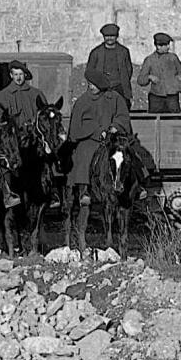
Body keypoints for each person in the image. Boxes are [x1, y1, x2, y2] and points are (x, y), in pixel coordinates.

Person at [63, 79, 132, 241]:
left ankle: (137, 185)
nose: (91, 87)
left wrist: (116, 126)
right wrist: (96, 131)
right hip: (89, 140)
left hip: (113, 138)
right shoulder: (82, 101)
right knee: (85, 155)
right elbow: (75, 129)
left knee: (127, 155)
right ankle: (85, 190)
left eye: (95, 84)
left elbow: (123, 116)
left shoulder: (115, 98)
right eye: (90, 83)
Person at [85, 24, 134, 109]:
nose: (109, 38)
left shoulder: (124, 51)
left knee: (121, 109)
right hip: (101, 88)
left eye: (112, 36)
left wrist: (122, 82)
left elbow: (128, 69)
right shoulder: (96, 52)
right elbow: (89, 71)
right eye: (107, 36)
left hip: (119, 87)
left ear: (117, 36)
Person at [136, 33, 181, 113]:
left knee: (174, 120)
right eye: (165, 45)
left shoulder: (173, 58)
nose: (168, 47)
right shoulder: (150, 60)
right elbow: (140, 80)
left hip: (172, 97)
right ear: (158, 46)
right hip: (156, 97)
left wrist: (178, 79)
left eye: (168, 44)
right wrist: (149, 77)